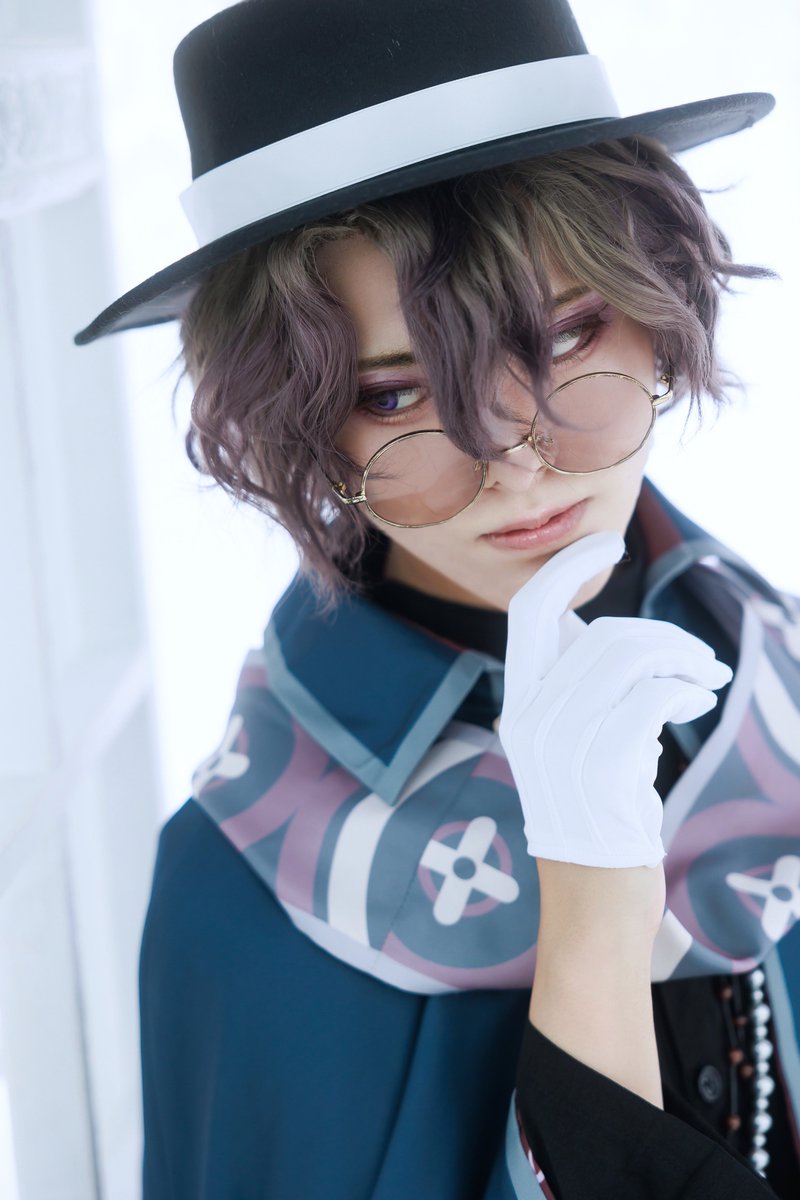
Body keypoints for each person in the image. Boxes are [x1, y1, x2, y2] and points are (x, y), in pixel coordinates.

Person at [75, 0, 800, 1196]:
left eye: (566, 338)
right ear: (299, 425)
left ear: (656, 306)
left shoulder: (773, 688)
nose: (516, 459)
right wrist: (589, 888)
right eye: (397, 396)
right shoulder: (240, 890)